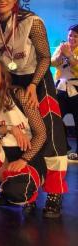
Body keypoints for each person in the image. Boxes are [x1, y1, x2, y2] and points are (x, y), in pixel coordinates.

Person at [0, 0, 67, 216]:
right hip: (9, 80)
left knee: (52, 135)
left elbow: (45, 57)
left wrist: (34, 85)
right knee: (12, 131)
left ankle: (55, 194)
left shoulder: (32, 21)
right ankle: (21, 184)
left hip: (36, 80)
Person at [0, 56, 51, 217]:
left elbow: (41, 133)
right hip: (0, 155)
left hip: (26, 154)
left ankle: (22, 194)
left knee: (17, 192)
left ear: (3, 77)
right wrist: (9, 128)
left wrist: (24, 160)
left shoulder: (19, 94)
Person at [51, 24, 78, 161]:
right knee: (55, 118)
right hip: (61, 88)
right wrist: (60, 55)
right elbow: (52, 63)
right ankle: (63, 147)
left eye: (75, 36)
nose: (72, 38)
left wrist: (70, 56)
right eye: (70, 35)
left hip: (76, 88)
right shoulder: (62, 47)